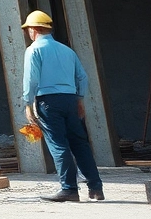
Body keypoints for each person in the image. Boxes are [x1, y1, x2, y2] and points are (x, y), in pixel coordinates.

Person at [21, 10, 104, 202]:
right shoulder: (68, 50)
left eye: (28, 30)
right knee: (80, 144)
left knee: (58, 144)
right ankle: (96, 188)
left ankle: (69, 189)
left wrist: (27, 103)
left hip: (49, 101)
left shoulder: (34, 50)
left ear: (33, 29)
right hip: (70, 100)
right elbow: (82, 77)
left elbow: (31, 79)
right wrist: (79, 99)